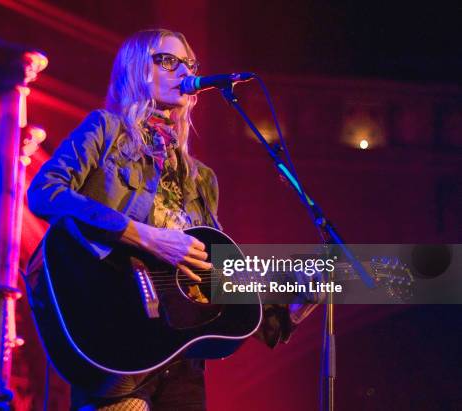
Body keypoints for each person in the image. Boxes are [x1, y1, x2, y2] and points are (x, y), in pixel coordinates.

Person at [28, 28, 308, 411]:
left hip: (180, 357)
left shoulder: (201, 178)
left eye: (190, 64)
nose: (184, 71)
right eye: (168, 60)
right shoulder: (105, 131)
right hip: (117, 338)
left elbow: (216, 277)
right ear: (136, 68)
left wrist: (290, 306)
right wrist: (144, 236)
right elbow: (45, 192)